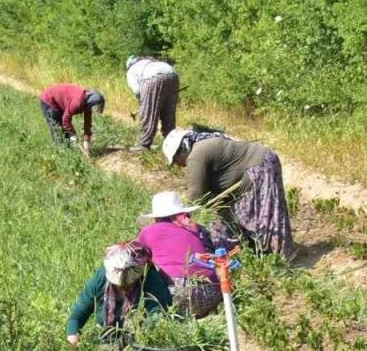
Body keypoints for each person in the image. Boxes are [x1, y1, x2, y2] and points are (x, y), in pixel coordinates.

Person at [162, 128, 294, 258]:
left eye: (175, 161)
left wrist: (183, 218)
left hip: (259, 166)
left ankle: (279, 257)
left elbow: (197, 195)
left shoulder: (196, 156)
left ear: (181, 151)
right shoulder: (202, 148)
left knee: (266, 212)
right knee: (235, 216)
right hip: (261, 162)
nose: (179, 165)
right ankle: (255, 248)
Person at [66, 241, 172, 349]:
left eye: (129, 284)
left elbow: (155, 323)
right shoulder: (101, 278)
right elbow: (76, 317)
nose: (122, 287)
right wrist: (73, 338)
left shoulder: (151, 280)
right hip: (106, 341)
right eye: (117, 284)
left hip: (139, 346)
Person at [137, 191, 223, 318]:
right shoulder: (196, 229)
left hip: (177, 295)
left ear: (156, 218)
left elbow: (135, 254)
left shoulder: (148, 232)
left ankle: (154, 315)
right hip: (212, 293)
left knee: (145, 269)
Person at [125, 55, 179, 151]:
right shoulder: (154, 62)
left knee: (148, 113)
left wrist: (143, 104)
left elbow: (137, 91)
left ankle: (144, 144)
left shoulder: (132, 70)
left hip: (152, 78)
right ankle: (172, 143)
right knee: (168, 112)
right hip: (173, 75)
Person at [39, 84, 106, 152]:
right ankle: (62, 152)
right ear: (92, 103)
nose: (92, 111)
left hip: (59, 101)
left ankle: (68, 150)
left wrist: (87, 140)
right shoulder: (78, 102)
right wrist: (73, 134)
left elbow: (87, 122)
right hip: (49, 99)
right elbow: (66, 119)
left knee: (64, 131)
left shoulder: (87, 103)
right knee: (57, 128)